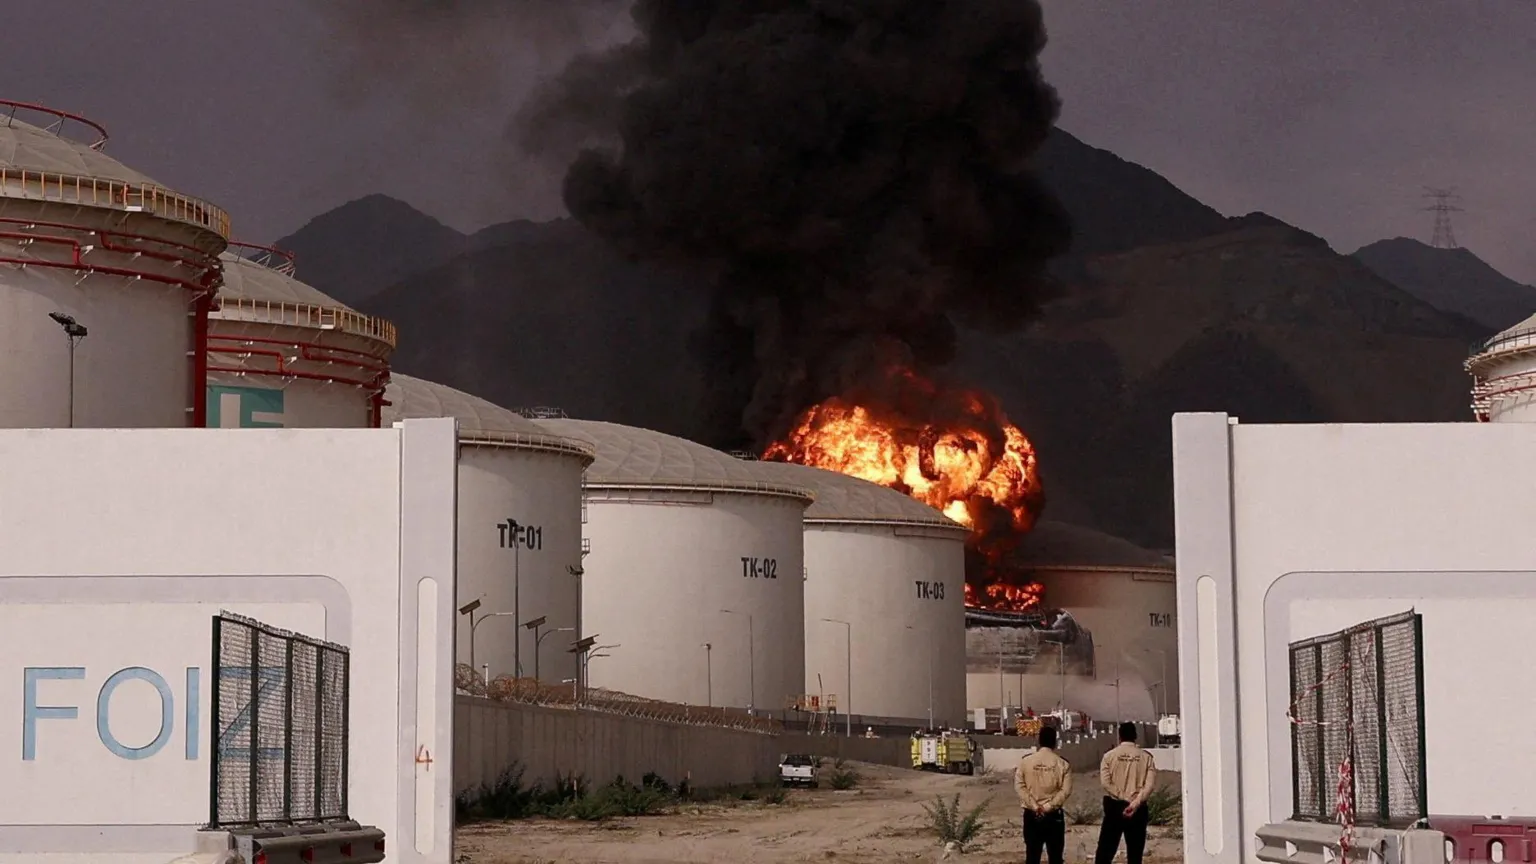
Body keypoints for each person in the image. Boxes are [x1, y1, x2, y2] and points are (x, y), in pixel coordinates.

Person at [1096, 722, 1158, 864]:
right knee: (1135, 855)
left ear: (1120, 736)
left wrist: (1123, 797)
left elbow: (1106, 783)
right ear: (1135, 736)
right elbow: (1149, 786)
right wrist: (1134, 802)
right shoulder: (1146, 757)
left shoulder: (1109, 756)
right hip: (1137, 809)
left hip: (1114, 807)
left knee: (1104, 854)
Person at [1015, 726, 1073, 864]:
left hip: (1031, 816)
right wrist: (1048, 807)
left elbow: (1020, 786)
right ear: (1055, 742)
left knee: (1032, 856)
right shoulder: (1063, 764)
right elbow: (1065, 791)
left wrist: (1035, 806)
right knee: (1055, 857)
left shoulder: (1025, 762)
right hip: (1054, 816)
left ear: (1039, 740)